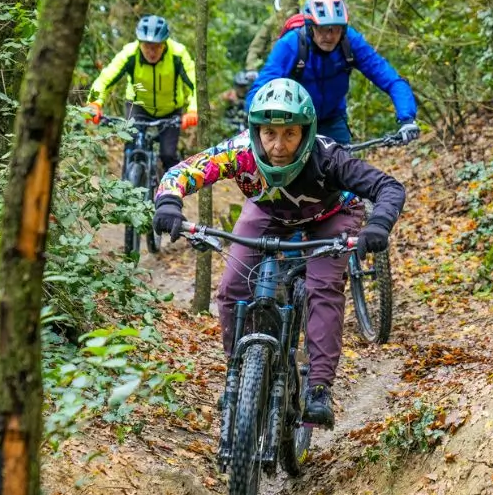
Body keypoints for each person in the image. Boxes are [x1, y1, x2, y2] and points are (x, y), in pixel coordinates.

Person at [152, 78, 406, 429]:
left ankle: (318, 387)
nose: (278, 146)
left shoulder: (328, 157)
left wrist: (378, 225)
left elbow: (387, 186)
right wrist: (169, 202)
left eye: (290, 134)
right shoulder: (240, 151)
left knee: (322, 287)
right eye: (269, 133)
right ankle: (239, 372)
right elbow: (184, 171)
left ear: (306, 131)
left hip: (330, 217)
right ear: (256, 131)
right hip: (269, 213)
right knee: (232, 288)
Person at [245, 0, 419, 145]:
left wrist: (407, 118)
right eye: (322, 29)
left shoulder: (350, 42)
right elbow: (261, 89)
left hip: (333, 119)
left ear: (343, 29)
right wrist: (257, 124)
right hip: (295, 122)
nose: (329, 36)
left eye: (335, 29)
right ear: (311, 27)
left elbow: (390, 79)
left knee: (344, 173)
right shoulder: (291, 44)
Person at [87, 15, 198, 170]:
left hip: (170, 111)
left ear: (164, 43)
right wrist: (94, 103)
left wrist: (193, 110)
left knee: (168, 155)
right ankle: (127, 186)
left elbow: (195, 84)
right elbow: (105, 79)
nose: (151, 52)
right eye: (147, 46)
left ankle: (170, 192)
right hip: (138, 107)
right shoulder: (130, 54)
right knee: (132, 148)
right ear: (139, 43)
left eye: (157, 47)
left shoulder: (178, 54)